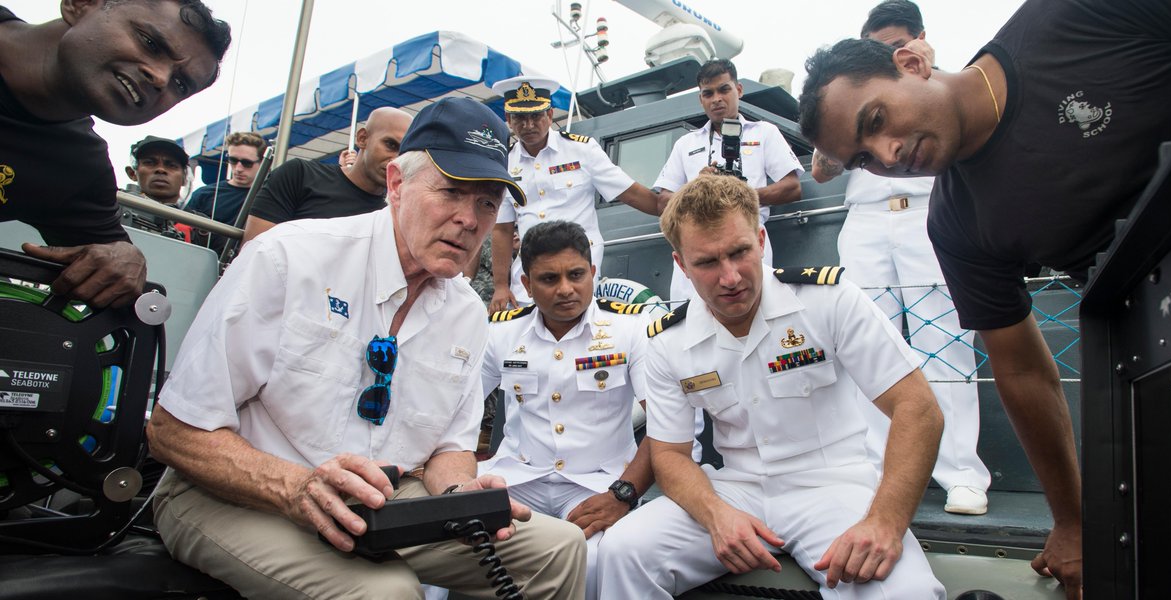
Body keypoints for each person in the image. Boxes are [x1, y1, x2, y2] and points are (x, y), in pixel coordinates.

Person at [797, 0, 1171, 595]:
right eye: (862, 158)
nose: (885, 155)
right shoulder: (957, 225)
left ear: (911, 61)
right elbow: (1021, 368)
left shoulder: (1072, 19)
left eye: (876, 119)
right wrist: (1070, 522)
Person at [144, 97, 586, 599]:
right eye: (451, 192)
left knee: (560, 548)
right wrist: (296, 488)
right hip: (235, 493)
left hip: (382, 502)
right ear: (396, 184)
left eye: (487, 202)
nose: (470, 219)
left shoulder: (465, 309)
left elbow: (450, 449)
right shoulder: (290, 257)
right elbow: (173, 432)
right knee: (387, 592)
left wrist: (461, 497)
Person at [597, 175, 945, 599]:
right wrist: (716, 516)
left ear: (761, 240)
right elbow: (669, 453)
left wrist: (886, 522)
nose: (729, 277)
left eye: (739, 252)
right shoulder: (668, 341)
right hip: (736, 487)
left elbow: (917, 407)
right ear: (681, 265)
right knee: (620, 552)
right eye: (707, 262)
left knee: (903, 593)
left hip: (832, 485)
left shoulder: (828, 300)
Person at [809, 0, 990, 516]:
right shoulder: (854, 93)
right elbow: (822, 171)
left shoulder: (936, 85)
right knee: (865, 343)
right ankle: (876, 466)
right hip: (866, 219)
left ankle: (960, 473)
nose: (884, 53)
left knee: (946, 337)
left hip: (928, 211)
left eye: (893, 44)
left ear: (916, 43)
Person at [0, 0, 230, 308]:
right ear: (80, 5)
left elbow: (116, 259)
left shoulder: (78, 169)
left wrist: (126, 258)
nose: (160, 78)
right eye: (150, 43)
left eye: (180, 83)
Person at [481, 219, 654, 600]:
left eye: (576, 274)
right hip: (518, 478)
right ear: (526, 285)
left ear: (593, 272)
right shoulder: (501, 333)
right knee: (449, 536)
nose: (565, 290)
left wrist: (622, 495)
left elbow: (664, 426)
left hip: (597, 483)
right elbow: (457, 409)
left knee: (591, 562)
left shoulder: (629, 329)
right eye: (548, 279)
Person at [487, 76, 661, 313]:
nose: (528, 125)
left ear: (549, 116)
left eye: (536, 116)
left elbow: (631, 194)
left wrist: (677, 210)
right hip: (530, 277)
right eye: (520, 118)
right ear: (508, 119)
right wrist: (500, 286)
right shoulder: (504, 163)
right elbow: (502, 229)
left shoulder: (581, 149)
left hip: (577, 270)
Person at [654, 59, 804, 302]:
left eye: (724, 89)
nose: (717, 99)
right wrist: (697, 188)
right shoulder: (685, 144)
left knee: (755, 309)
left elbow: (792, 188)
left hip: (746, 238)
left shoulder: (764, 132)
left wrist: (738, 194)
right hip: (697, 244)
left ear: (739, 90)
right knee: (690, 320)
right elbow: (663, 201)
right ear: (701, 99)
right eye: (708, 93)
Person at [241, 107, 412, 242]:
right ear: (362, 138)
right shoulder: (299, 175)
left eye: (405, 153)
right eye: (390, 145)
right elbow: (255, 250)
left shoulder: (394, 213)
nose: (396, 159)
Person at [185, 131, 266, 227]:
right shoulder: (204, 194)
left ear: (263, 163)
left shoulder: (269, 198)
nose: (238, 168)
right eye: (233, 160)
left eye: (247, 163)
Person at [126, 136, 189, 207]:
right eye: (149, 162)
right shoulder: (114, 211)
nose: (161, 169)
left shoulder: (196, 218)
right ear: (132, 173)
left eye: (172, 165)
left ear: (185, 178)